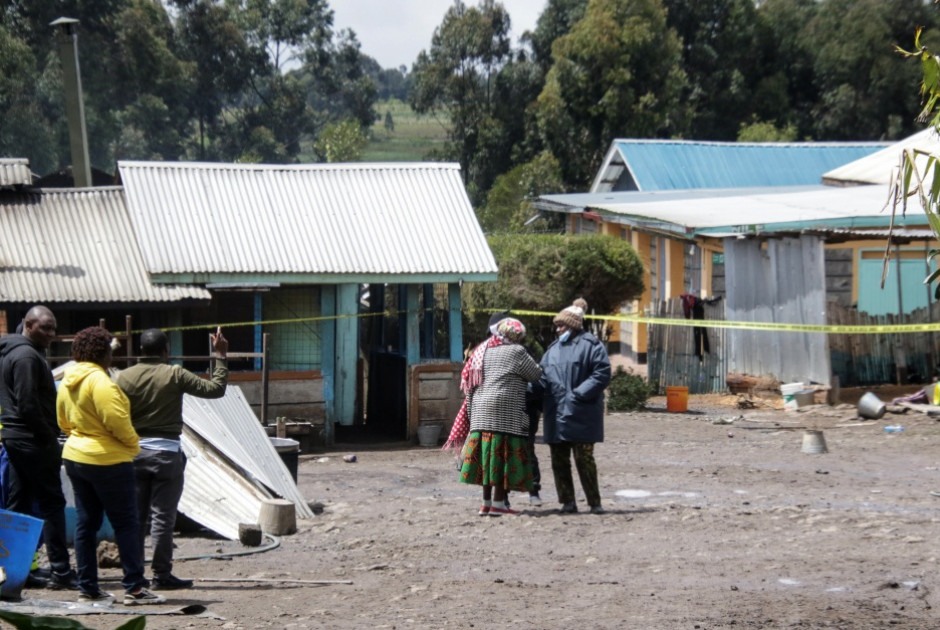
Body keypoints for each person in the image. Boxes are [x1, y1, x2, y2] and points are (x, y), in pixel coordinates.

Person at [57, 326, 166, 605]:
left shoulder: (68, 380)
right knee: (127, 524)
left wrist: (82, 437)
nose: (112, 357)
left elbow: (63, 422)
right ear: (102, 352)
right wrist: (132, 446)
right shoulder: (102, 383)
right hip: (108, 460)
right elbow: (118, 422)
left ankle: (88, 587)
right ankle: (135, 588)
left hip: (75, 457)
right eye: (110, 351)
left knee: (86, 523)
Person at [115, 327, 228, 590]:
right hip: (166, 455)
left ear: (141, 351)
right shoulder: (174, 374)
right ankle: (161, 575)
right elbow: (215, 389)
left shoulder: (122, 378)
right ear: (166, 351)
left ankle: (133, 576)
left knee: (135, 519)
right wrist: (220, 357)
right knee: (162, 519)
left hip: (133, 455)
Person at [0, 305, 78, 590]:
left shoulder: (14, 352)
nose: (52, 334)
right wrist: (48, 436)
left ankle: (14, 570)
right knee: (52, 504)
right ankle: (60, 571)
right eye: (45, 327)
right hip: (31, 440)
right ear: (28, 326)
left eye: (54, 328)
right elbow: (27, 404)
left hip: (17, 438)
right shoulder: (25, 357)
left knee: (17, 506)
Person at [455, 318, 542, 516]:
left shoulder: (482, 350)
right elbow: (535, 374)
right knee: (502, 457)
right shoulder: (517, 351)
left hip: (480, 411)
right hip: (504, 411)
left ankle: (485, 503)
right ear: (517, 336)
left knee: (486, 458)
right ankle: (499, 504)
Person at [534, 299, 611, 515]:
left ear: (574, 325)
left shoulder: (592, 346)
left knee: (584, 459)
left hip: (582, 413)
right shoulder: (552, 350)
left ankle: (594, 502)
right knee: (559, 461)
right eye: (557, 326)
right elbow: (542, 376)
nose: (558, 330)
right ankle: (567, 502)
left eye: (562, 326)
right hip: (556, 414)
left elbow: (602, 373)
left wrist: (578, 395)